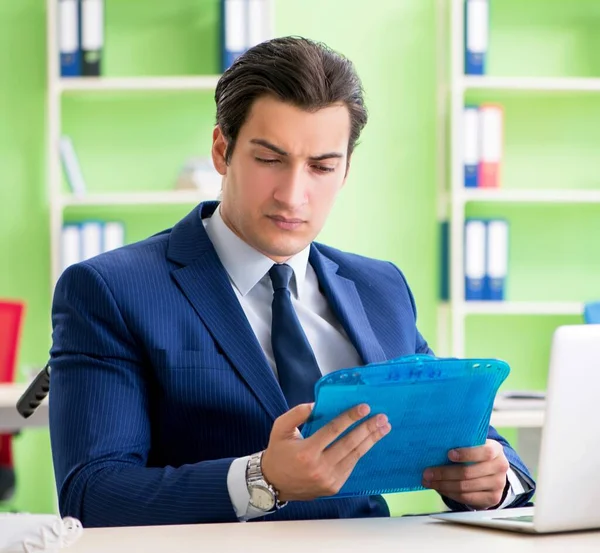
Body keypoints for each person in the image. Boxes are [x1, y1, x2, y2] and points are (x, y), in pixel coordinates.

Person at [49, 37, 534, 528]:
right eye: (269, 159)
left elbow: (465, 434)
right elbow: (92, 493)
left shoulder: (380, 286)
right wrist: (261, 478)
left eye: (322, 167)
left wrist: (495, 478)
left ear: (345, 171)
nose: (293, 196)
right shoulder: (109, 290)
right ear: (222, 150)